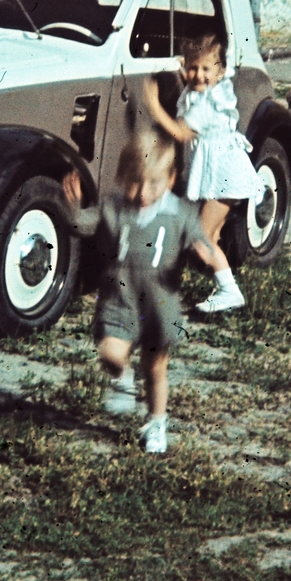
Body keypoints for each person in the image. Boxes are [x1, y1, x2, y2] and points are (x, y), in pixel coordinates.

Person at [62, 127, 220, 454]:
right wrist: (74, 209)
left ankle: (156, 423)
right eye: (134, 182)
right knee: (110, 353)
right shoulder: (114, 207)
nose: (143, 193)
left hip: (161, 303)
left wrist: (204, 255)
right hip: (120, 297)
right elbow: (84, 226)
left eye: (154, 184)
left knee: (156, 368)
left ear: (171, 179)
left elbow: (201, 242)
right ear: (122, 176)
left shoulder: (180, 213)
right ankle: (122, 375)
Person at [139, 34, 266, 313]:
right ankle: (217, 278)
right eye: (193, 68)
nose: (198, 75)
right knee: (211, 233)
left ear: (221, 72)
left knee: (200, 237)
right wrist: (181, 68)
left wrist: (153, 105)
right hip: (222, 171)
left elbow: (182, 133)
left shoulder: (208, 103)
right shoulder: (207, 91)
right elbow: (193, 83)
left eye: (206, 69)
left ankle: (229, 291)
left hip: (225, 174)